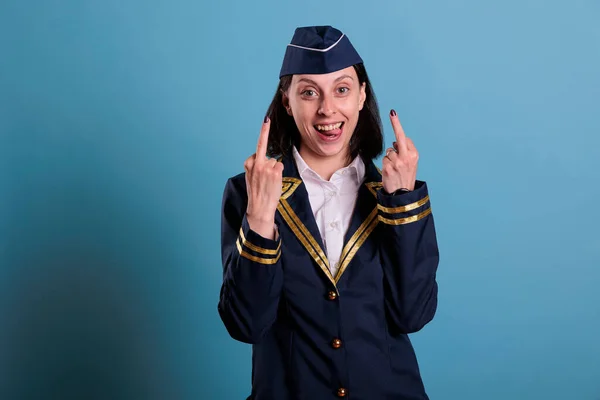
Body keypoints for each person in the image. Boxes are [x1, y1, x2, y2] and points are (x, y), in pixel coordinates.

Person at [218, 25, 440, 400]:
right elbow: (247, 325)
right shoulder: (247, 191)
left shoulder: (394, 193)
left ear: (361, 96)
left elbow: (412, 315)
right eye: (308, 92)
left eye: (342, 89)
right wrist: (259, 218)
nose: (327, 109)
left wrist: (402, 202)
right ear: (287, 102)